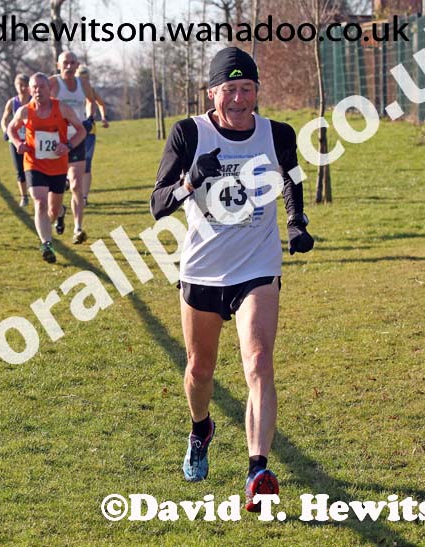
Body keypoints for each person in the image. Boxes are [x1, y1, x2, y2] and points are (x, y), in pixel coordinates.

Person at [149, 47, 315, 511]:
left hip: (257, 268)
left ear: (257, 91)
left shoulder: (277, 133)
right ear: (213, 93)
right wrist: (188, 182)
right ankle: (201, 428)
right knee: (200, 372)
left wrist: (296, 222)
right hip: (201, 270)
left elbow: (293, 175)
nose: (239, 100)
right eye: (230, 90)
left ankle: (257, 470)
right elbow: (157, 204)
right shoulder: (188, 133)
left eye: (247, 89)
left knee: (259, 363)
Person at [7, 72, 86, 263]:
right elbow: (11, 128)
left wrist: (67, 145)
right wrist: (18, 143)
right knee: (39, 202)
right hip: (34, 163)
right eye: (34, 87)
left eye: (41, 86)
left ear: (48, 89)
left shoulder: (62, 108)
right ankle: (46, 244)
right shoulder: (25, 111)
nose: (37, 90)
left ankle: (59, 213)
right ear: (29, 89)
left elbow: (81, 130)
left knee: (52, 209)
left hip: (58, 165)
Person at [49, 51, 96, 244]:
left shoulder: (82, 84)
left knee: (76, 184)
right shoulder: (52, 83)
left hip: (77, 139)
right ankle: (59, 212)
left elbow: (91, 101)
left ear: (77, 66)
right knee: (56, 189)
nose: (69, 67)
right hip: (56, 141)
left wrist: (88, 119)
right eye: (65, 63)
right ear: (58, 65)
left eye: (72, 63)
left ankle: (78, 227)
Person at [75, 64, 109, 207]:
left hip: (89, 131)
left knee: (86, 164)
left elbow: (100, 103)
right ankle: (74, 190)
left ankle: (84, 197)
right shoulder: (71, 91)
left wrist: (103, 117)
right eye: (82, 78)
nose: (84, 81)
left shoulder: (91, 90)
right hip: (73, 130)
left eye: (87, 78)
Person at [0, 73, 31, 207]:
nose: (23, 88)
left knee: (33, 168)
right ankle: (24, 196)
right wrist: (5, 130)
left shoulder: (33, 101)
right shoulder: (12, 103)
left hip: (31, 139)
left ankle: (36, 192)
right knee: (20, 170)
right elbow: (4, 119)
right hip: (16, 140)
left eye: (25, 85)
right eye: (20, 85)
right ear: (15, 86)